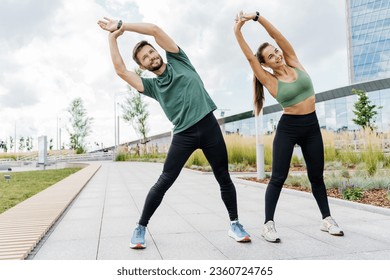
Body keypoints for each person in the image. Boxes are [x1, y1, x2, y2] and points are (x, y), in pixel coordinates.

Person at [97, 17, 251, 249]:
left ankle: (235, 224)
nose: (151, 57)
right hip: (183, 134)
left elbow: (155, 30)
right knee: (164, 181)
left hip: (209, 126)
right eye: (145, 58)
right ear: (143, 66)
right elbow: (120, 71)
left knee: (223, 177)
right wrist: (112, 38)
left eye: (151, 52)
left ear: (158, 51)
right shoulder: (151, 86)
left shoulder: (179, 60)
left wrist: (122, 25)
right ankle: (140, 227)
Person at [233, 11, 344, 242]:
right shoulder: (270, 80)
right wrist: (237, 31)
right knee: (278, 177)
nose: (277, 56)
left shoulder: (293, 61)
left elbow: (277, 35)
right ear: (266, 64)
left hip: (311, 126)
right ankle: (268, 224)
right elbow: (250, 59)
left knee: (316, 177)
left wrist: (257, 18)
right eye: (271, 57)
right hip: (289, 128)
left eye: (276, 52)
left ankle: (327, 219)